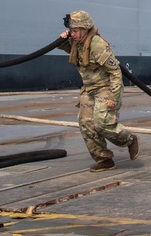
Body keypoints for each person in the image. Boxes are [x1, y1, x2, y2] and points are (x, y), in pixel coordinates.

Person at [59, 10, 139, 172]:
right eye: (71, 31)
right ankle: (104, 159)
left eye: (75, 31)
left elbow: (115, 72)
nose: (72, 34)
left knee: (102, 124)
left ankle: (129, 140)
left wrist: (114, 97)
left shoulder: (97, 44)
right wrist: (62, 41)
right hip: (89, 90)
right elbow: (73, 51)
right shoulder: (78, 43)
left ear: (85, 29)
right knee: (86, 124)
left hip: (106, 88)